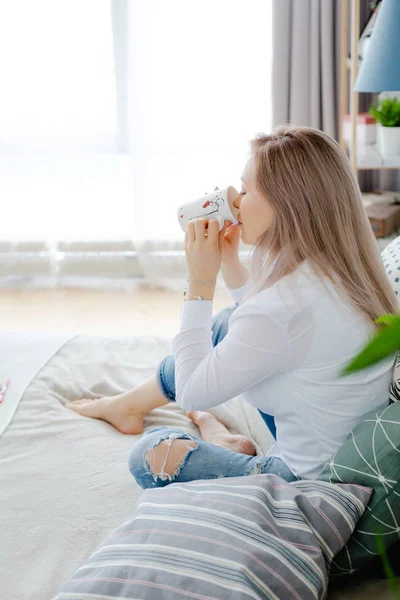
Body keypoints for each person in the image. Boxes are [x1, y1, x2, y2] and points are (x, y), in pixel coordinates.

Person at [66, 125, 397, 489]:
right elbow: (272, 328)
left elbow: (193, 390)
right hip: (326, 436)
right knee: (227, 323)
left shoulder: (280, 308)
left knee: (150, 455)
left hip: (302, 479)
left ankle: (217, 436)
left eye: (245, 190)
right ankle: (131, 405)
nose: (236, 202)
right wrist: (229, 261)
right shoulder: (342, 269)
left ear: (286, 203)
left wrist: (199, 283)